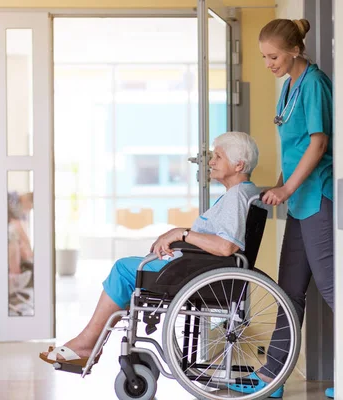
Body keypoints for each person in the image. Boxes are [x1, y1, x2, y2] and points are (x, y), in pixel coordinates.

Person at [39, 131, 260, 367]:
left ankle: (86, 344)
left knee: (123, 269)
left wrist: (181, 233)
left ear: (238, 165)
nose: (211, 161)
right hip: (197, 268)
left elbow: (226, 246)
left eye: (218, 156)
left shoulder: (236, 197)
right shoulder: (242, 193)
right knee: (131, 268)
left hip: (198, 274)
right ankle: (89, 343)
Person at [227, 19, 335, 399]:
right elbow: (293, 147)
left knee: (330, 286)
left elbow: (318, 144)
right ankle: (273, 374)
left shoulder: (315, 84)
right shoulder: (288, 86)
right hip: (298, 199)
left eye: (273, 56)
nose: (269, 63)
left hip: (316, 196)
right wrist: (278, 185)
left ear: (294, 51)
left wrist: (288, 188)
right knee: (289, 290)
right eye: (264, 57)